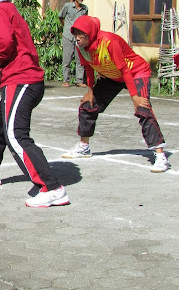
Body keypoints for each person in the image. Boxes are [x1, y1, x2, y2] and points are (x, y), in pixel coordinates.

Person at [0, 0, 70, 208]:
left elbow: (4, 46)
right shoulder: (9, 10)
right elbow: (16, 54)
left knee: (16, 134)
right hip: (21, 79)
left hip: (23, 81)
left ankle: (52, 187)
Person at [62, 15, 170, 172]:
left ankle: (160, 156)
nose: (77, 38)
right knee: (87, 105)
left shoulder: (109, 42)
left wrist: (135, 97)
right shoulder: (81, 48)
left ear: (90, 33)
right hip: (113, 76)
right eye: (75, 34)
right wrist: (90, 91)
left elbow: (125, 70)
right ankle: (84, 147)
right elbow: (89, 69)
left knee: (143, 108)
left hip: (135, 72)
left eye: (81, 34)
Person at [59, 0, 88, 87]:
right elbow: (61, 17)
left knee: (79, 59)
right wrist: (66, 27)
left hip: (79, 37)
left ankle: (79, 80)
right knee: (67, 58)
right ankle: (65, 80)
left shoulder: (85, 9)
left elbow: (85, 21)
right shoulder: (67, 6)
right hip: (68, 36)